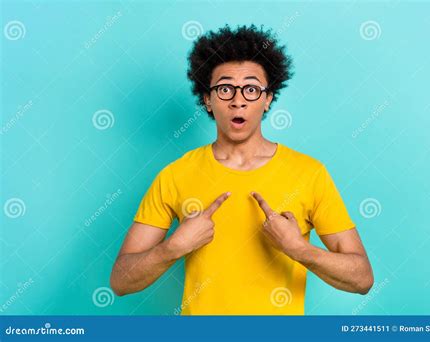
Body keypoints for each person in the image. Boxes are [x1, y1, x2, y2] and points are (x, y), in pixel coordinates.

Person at [110, 24, 374, 315]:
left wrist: (299, 250)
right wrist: (173, 247)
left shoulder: (309, 173)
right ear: (207, 99)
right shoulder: (175, 175)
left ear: (267, 98)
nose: (238, 100)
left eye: (251, 89)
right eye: (225, 89)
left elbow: (362, 279)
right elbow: (121, 282)